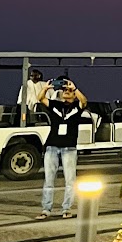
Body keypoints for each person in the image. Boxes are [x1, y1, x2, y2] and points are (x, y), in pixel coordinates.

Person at [40, 80, 88, 219]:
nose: (67, 92)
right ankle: (46, 209)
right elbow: (41, 98)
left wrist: (75, 88)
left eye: (70, 91)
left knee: (70, 180)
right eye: (65, 90)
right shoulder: (56, 105)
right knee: (49, 179)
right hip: (52, 146)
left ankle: (66, 208)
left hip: (69, 148)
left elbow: (84, 101)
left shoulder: (77, 107)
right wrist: (45, 88)